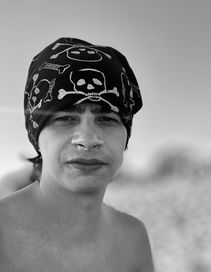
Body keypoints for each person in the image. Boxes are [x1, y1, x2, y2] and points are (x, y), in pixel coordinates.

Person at [0, 37, 154, 271]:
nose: (88, 139)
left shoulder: (132, 238)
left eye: (107, 119)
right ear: (36, 135)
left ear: (126, 136)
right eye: (65, 118)